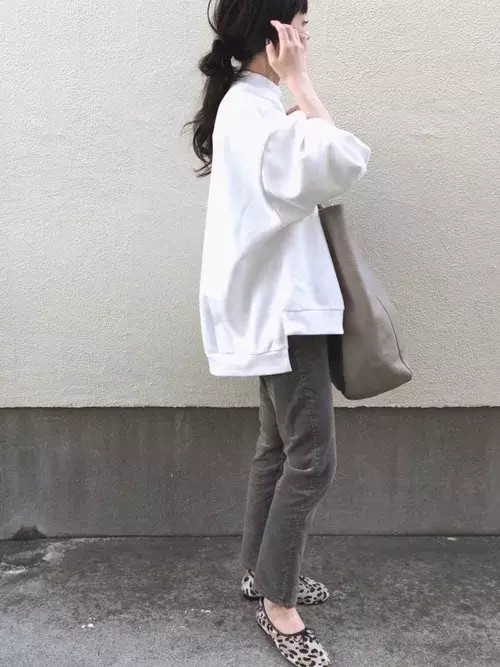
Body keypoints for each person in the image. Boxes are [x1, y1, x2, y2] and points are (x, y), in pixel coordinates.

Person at [189, 0, 370, 664]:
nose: (306, 37)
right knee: (312, 459)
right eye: (300, 26)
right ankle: (278, 604)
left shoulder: (249, 107)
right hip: (287, 313)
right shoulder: (258, 111)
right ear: (275, 34)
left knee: (276, 449)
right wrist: (301, 82)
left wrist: (290, 98)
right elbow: (346, 160)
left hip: (275, 308)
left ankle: (258, 573)